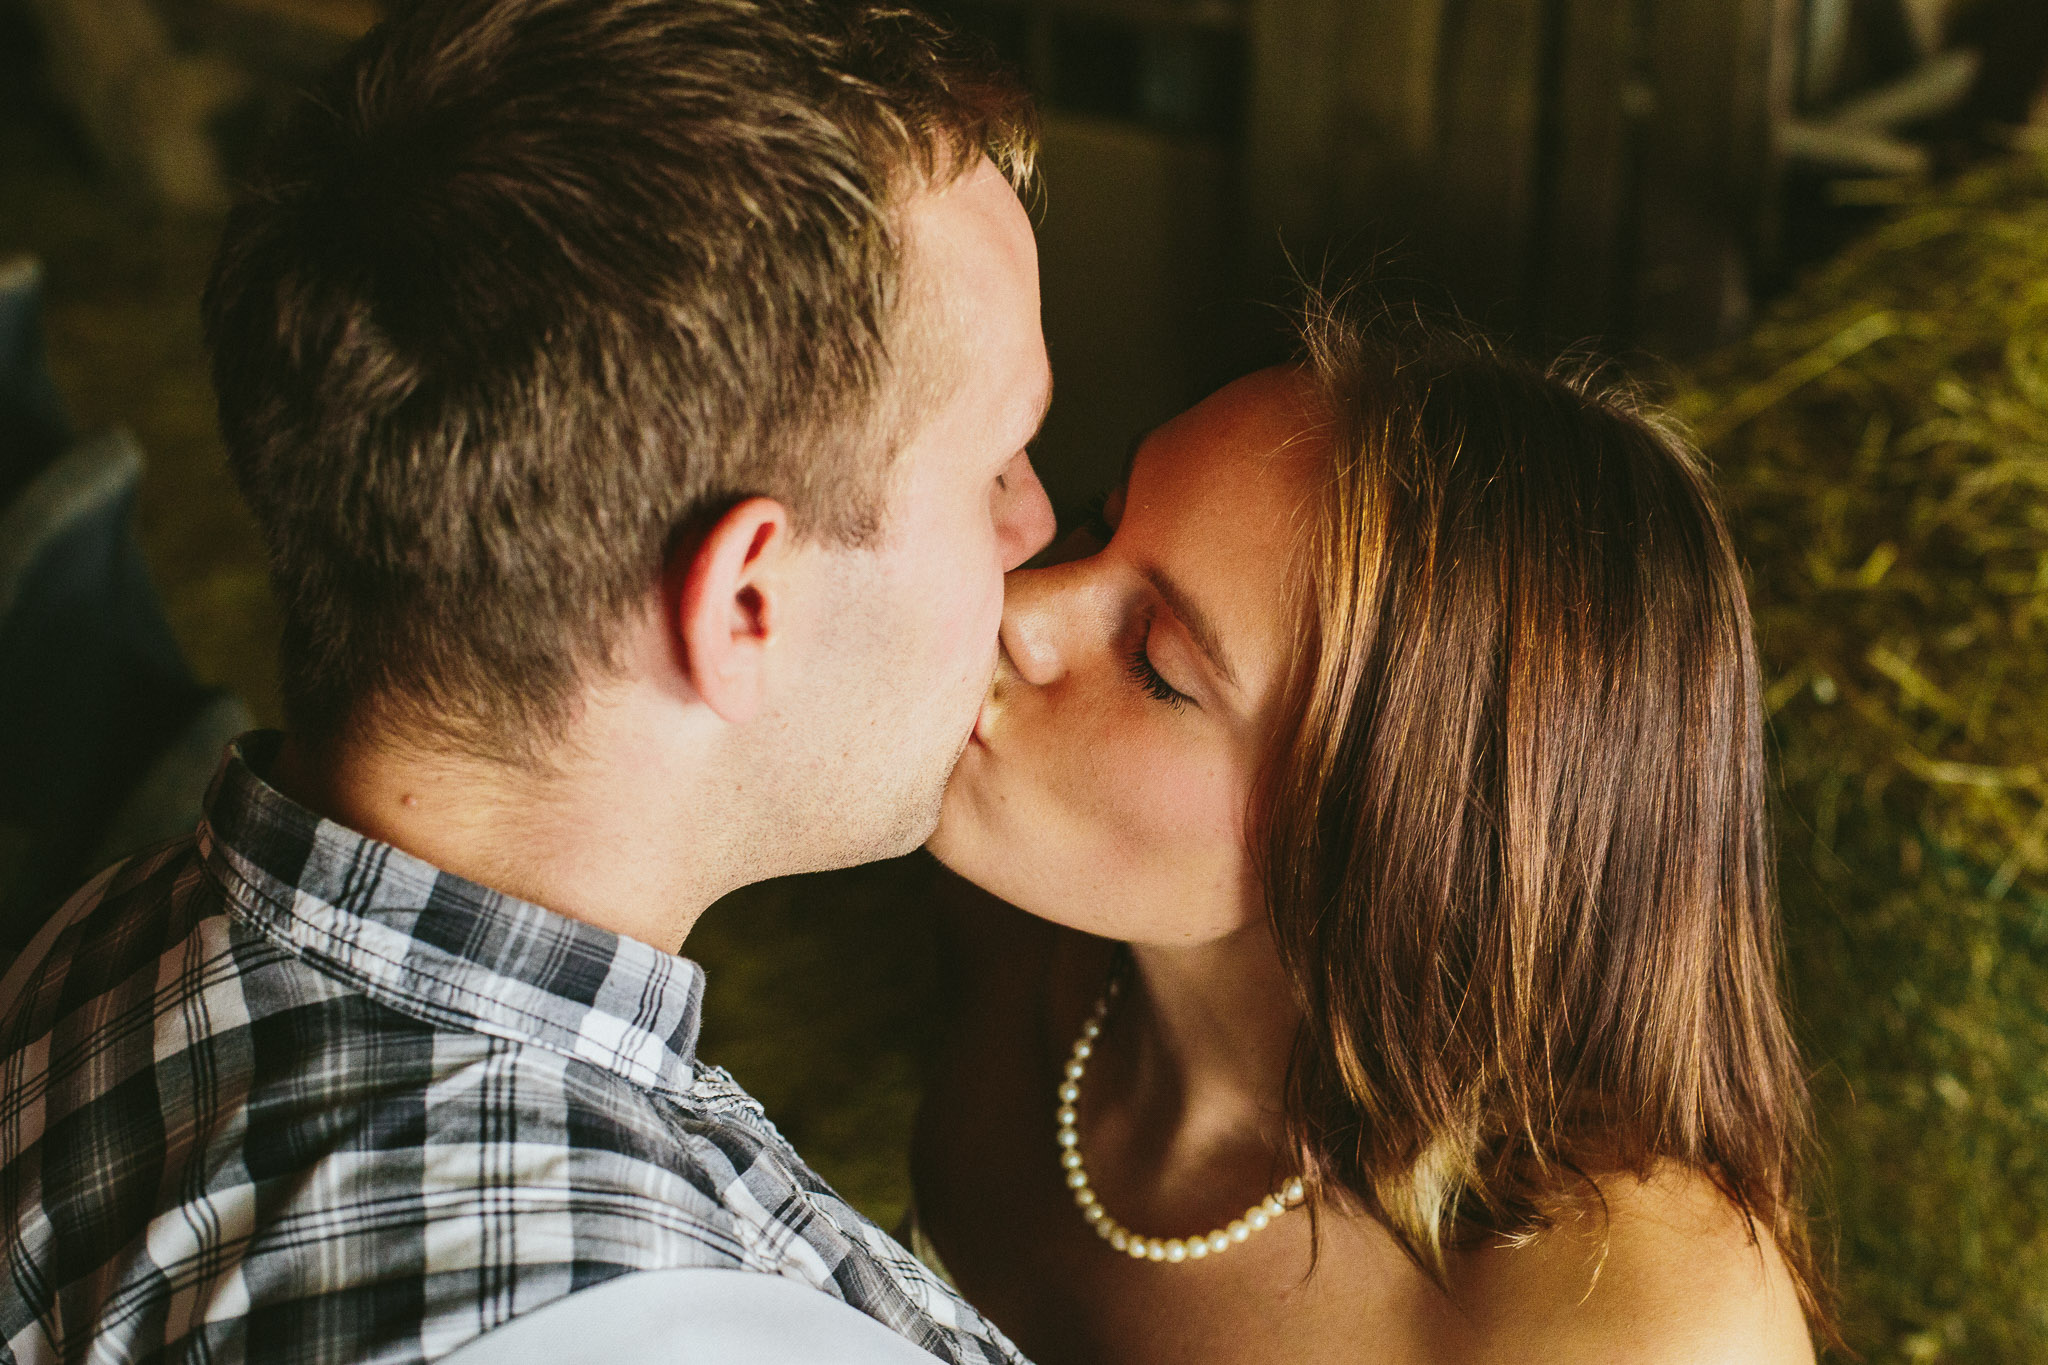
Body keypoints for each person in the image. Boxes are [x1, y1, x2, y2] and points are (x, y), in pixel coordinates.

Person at [0, 0, 1056, 1360]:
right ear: (745, 602)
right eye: (997, 468)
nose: (1036, 533)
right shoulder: (615, 1331)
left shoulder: (126, 939)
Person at [914, 300, 1832, 1364]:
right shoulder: (1012, 931)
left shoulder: (1621, 1319)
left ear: (1395, 844)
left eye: (1156, 663)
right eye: (1099, 516)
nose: (1016, 610)